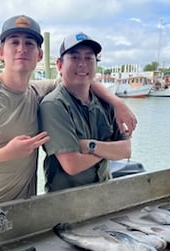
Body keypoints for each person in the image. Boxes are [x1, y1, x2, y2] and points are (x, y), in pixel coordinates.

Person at [0, 15, 137, 211]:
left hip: (24, 207)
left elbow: (81, 78)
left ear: (40, 55)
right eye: (14, 42)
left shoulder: (36, 92)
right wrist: (5, 153)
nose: (22, 49)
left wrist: (118, 102)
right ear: (1, 52)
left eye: (29, 43)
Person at [39, 32, 131, 193]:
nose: (82, 64)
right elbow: (72, 165)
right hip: (65, 201)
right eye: (74, 58)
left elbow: (126, 150)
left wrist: (90, 146)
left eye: (89, 58)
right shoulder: (53, 105)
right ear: (59, 65)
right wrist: (109, 149)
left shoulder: (106, 103)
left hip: (104, 192)